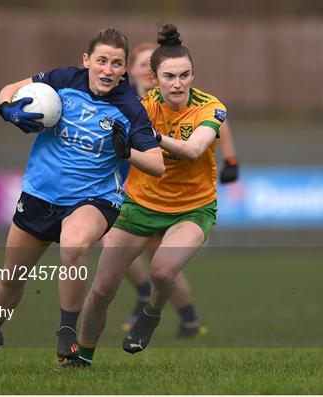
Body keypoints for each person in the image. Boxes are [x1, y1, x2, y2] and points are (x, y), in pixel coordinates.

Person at [0, 28, 164, 370]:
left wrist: (126, 151)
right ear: (87, 61)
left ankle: (67, 334)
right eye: (101, 60)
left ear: (124, 67)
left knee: (73, 245)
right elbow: (9, 90)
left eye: (116, 63)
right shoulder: (64, 79)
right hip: (40, 195)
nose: (108, 69)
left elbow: (156, 163)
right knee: (11, 277)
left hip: (95, 199)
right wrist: (8, 110)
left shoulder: (130, 107)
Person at [64, 24, 227, 368]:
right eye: (169, 76)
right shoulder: (141, 105)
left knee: (163, 272)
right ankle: (84, 357)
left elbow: (193, 150)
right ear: (154, 77)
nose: (178, 83)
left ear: (193, 74)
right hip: (139, 205)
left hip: (192, 209)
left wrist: (149, 136)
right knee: (103, 289)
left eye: (184, 75)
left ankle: (150, 314)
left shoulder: (210, 107)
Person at [121, 41, 240, 338]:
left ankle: (180, 316)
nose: (175, 81)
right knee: (116, 254)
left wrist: (231, 159)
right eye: (144, 64)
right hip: (136, 192)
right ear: (137, 71)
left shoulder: (199, 104)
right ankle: (176, 313)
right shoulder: (128, 103)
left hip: (179, 198)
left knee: (160, 266)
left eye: (182, 75)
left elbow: (209, 134)